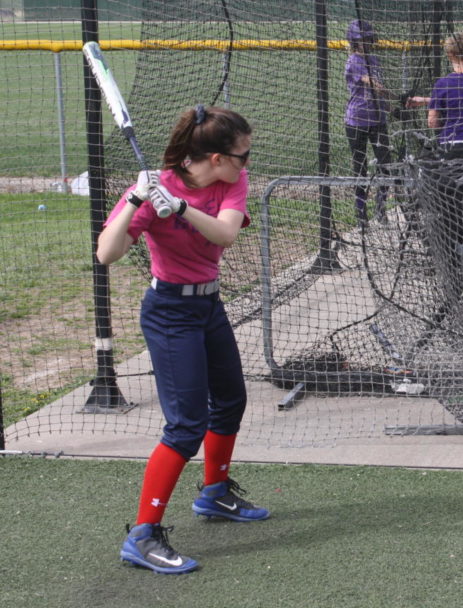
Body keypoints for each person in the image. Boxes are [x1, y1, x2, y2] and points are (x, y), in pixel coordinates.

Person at [96, 105, 269, 575]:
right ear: (213, 157)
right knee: (186, 424)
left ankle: (214, 493)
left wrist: (185, 209)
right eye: (240, 155)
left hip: (208, 306)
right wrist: (136, 198)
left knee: (231, 399)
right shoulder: (154, 190)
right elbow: (106, 253)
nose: (245, 163)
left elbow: (227, 235)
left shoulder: (231, 182)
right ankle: (142, 535)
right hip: (170, 313)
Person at [407, 31, 463, 272]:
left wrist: (433, 103)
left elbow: (433, 123)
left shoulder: (443, 84)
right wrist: (429, 99)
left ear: (450, 54)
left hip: (454, 149)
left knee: (451, 203)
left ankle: (454, 254)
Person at [345, 19, 392, 226]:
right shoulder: (354, 60)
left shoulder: (373, 59)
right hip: (357, 121)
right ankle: (361, 213)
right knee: (360, 167)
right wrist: (392, 94)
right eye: (361, 40)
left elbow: (379, 92)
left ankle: (381, 209)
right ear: (354, 42)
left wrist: (392, 107)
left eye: (367, 39)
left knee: (386, 164)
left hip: (378, 119)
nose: (365, 43)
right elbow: (373, 84)